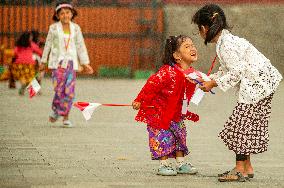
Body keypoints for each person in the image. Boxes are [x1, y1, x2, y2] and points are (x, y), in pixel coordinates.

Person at [192, 4, 282, 182]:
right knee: (245, 127)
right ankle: (246, 168)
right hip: (262, 85)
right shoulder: (226, 41)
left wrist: (212, 83)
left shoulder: (226, 45)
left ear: (204, 28)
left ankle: (239, 169)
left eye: (198, 29)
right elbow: (228, 70)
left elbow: (236, 71)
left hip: (257, 87)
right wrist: (209, 80)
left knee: (239, 128)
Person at [132, 35, 200, 176]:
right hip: (160, 113)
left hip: (177, 114)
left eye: (192, 45)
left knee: (180, 137)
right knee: (163, 138)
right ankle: (163, 164)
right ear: (176, 55)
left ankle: (181, 163)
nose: (192, 48)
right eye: (187, 46)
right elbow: (151, 85)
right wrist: (139, 100)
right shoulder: (167, 72)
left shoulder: (192, 73)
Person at [40, 2, 93, 127]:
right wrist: (43, 61)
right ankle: (56, 110)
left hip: (71, 63)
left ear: (72, 14)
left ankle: (65, 117)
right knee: (58, 89)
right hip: (57, 64)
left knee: (69, 91)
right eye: (62, 13)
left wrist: (85, 63)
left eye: (68, 13)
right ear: (57, 15)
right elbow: (47, 45)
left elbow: (80, 46)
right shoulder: (53, 28)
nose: (65, 15)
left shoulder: (76, 28)